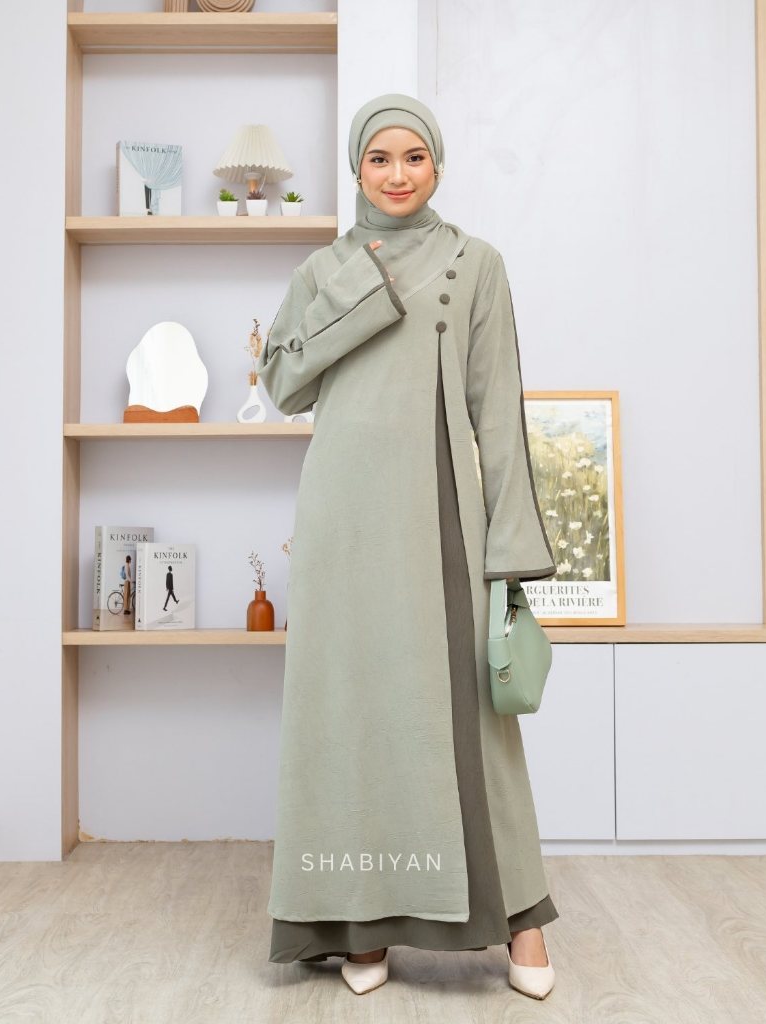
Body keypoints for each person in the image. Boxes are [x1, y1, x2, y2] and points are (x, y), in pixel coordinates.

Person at [255, 93, 558, 1000]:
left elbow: (497, 410)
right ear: (356, 169)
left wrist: (509, 550)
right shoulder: (323, 269)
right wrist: (359, 288)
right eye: (379, 158)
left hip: (443, 513)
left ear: (437, 165)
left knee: (472, 722)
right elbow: (283, 384)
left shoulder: (476, 263)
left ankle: (523, 919)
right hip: (345, 517)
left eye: (414, 156)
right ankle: (363, 922)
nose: (397, 174)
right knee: (351, 714)